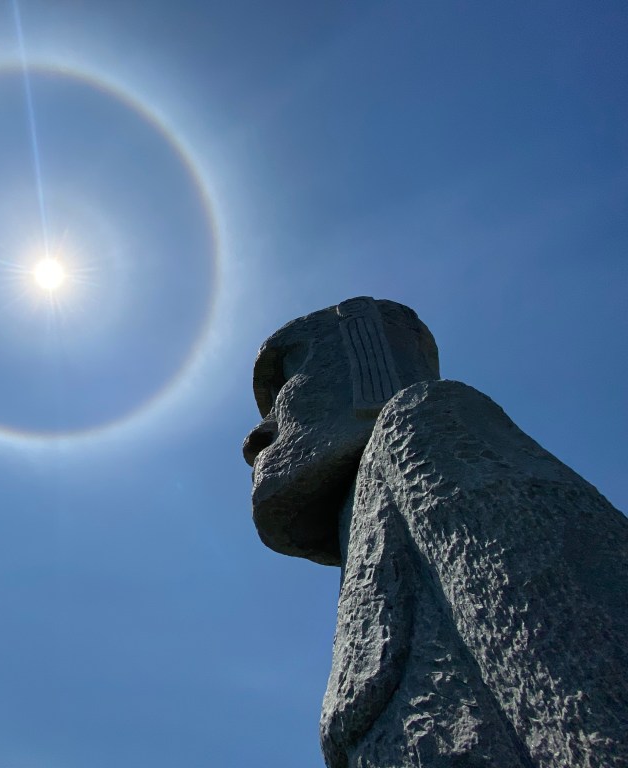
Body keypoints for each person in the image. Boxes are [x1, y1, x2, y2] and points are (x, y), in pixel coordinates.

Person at [243, 297, 628, 768]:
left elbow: (588, 683)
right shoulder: (367, 536)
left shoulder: (426, 425)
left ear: (367, 365)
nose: (258, 438)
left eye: (285, 389)